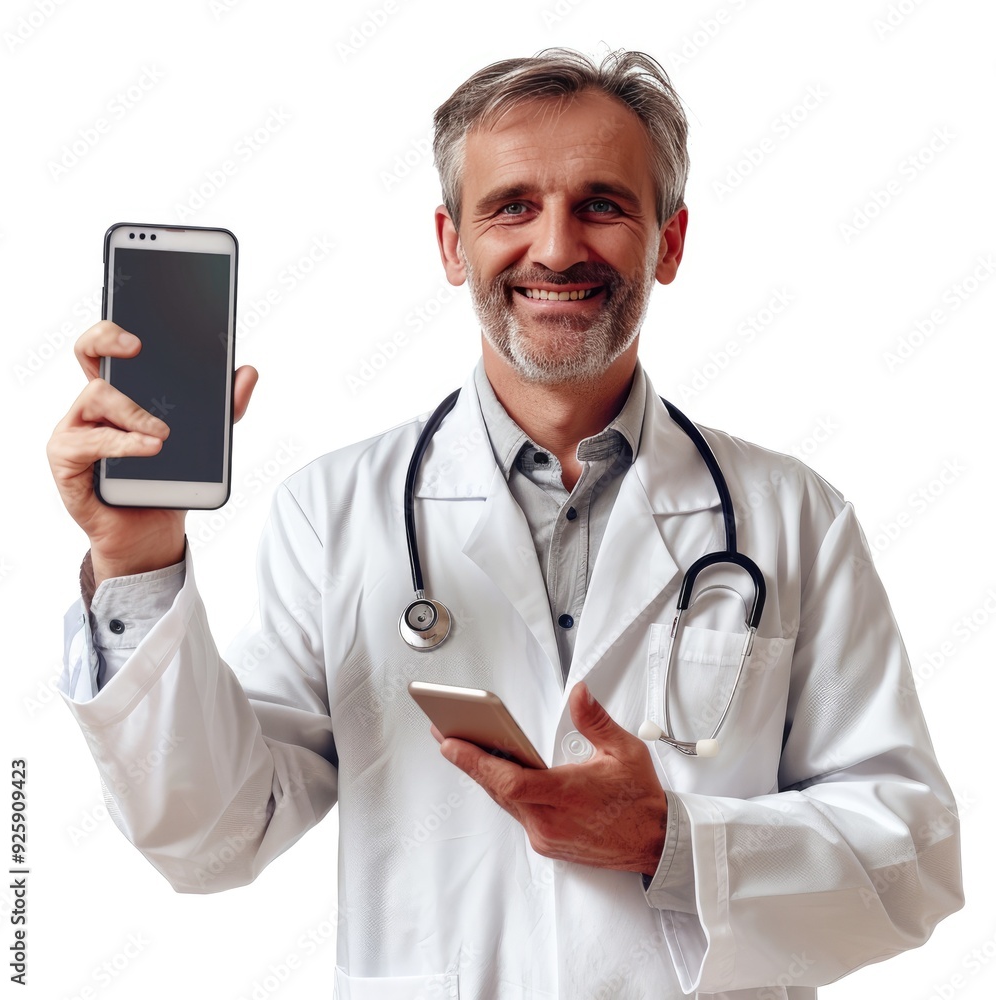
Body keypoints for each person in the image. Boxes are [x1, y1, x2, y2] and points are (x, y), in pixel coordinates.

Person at [48, 48, 963, 999]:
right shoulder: (335, 512)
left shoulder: (792, 517)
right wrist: (136, 560)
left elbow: (914, 862)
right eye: (512, 206)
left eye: (603, 204)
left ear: (671, 242)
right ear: (451, 244)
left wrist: (672, 841)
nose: (558, 248)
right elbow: (213, 839)